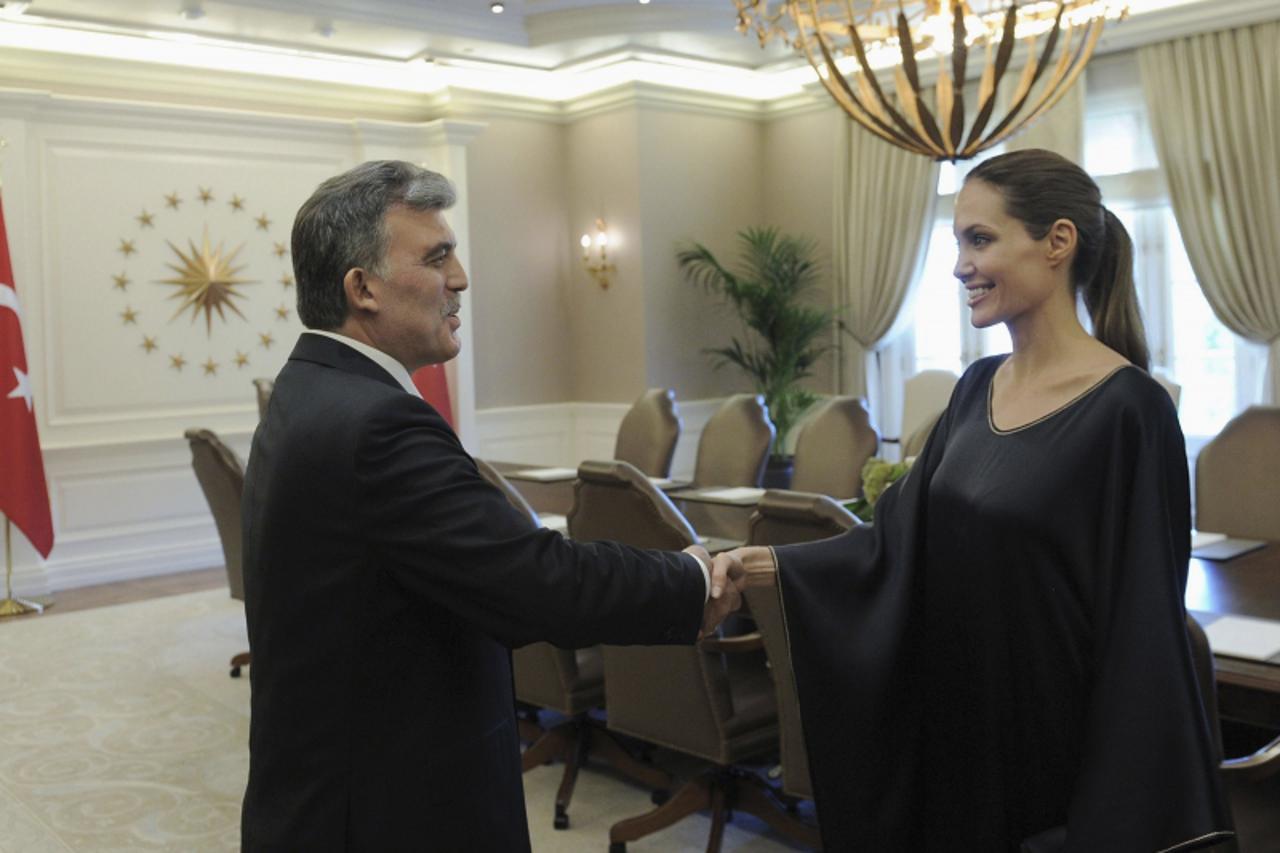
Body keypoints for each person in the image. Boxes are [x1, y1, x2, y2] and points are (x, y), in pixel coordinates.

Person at [239, 160, 745, 852]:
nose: (461, 278)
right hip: (386, 811)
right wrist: (689, 581)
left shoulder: (309, 390)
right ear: (363, 289)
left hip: (329, 787)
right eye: (437, 256)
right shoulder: (375, 424)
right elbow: (537, 582)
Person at [734, 149, 1233, 851]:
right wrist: (770, 567)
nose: (960, 265)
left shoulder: (1131, 411)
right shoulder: (976, 387)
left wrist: (1106, 812)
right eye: (958, 242)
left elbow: (1142, 627)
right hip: (957, 729)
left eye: (980, 239)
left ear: (1057, 242)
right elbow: (897, 539)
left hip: (1051, 757)